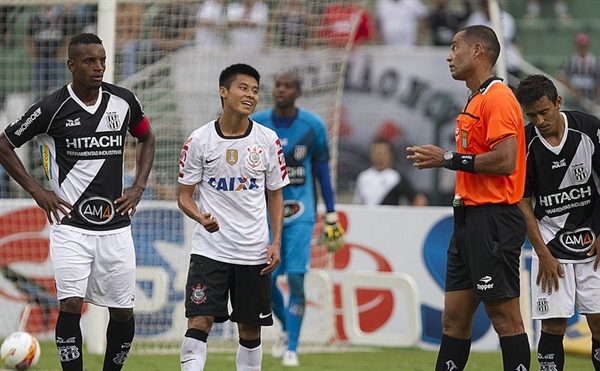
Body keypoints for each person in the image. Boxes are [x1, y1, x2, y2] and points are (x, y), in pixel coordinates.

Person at [0, 33, 156, 371]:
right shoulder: (50, 108)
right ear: (72, 65)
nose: (98, 67)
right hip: (70, 224)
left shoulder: (123, 101)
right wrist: (38, 192)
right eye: (89, 61)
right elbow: (4, 144)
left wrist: (139, 186)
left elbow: (147, 137)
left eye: (101, 60)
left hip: (115, 226)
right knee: (70, 303)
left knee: (123, 310)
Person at [406, 25, 530, 371]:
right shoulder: (475, 98)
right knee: (454, 320)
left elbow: (506, 160)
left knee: (505, 318)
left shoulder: (498, 97)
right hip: (467, 221)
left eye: (454, 47)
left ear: (478, 51)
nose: (449, 55)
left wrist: (447, 159)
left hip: (493, 220)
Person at [177, 63, 289, 371]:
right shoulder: (199, 140)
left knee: (250, 331)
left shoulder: (267, 140)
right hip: (210, 250)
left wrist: (276, 242)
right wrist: (200, 217)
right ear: (223, 92)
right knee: (199, 321)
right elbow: (184, 194)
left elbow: (276, 193)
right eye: (243, 88)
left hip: (253, 252)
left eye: (255, 90)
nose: (251, 95)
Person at [251, 71, 345, 367]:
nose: (281, 90)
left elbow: (322, 174)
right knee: (265, 283)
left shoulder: (313, 126)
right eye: (278, 85)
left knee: (296, 278)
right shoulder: (258, 124)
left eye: (288, 86)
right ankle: (285, 328)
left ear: (298, 92)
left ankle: (292, 346)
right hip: (264, 214)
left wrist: (330, 215)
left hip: (302, 213)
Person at [513, 73, 600, 371]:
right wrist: (543, 254)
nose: (539, 120)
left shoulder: (589, 128)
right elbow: (522, 203)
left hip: (593, 243)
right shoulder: (523, 144)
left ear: (558, 102)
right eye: (531, 115)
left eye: (544, 112)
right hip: (550, 244)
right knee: (552, 326)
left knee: (599, 321)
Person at [354, 138, 428, 206]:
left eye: (383, 153)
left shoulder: (396, 177)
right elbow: (358, 202)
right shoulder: (363, 177)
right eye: (376, 153)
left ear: (391, 155)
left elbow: (419, 199)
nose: (380, 157)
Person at [465, 0, 520, 75]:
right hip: (482, 60)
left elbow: (499, 40)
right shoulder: (475, 17)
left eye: (487, 5)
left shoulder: (506, 18)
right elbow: (469, 38)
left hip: (507, 59)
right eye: (483, 5)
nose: (485, 8)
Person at [27, 5, 70, 99]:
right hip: (40, 58)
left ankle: (58, 107)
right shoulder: (35, 19)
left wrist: (62, 53)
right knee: (39, 87)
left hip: (56, 58)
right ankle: (38, 107)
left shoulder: (60, 18)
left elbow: (66, 38)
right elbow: (29, 38)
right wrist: (32, 54)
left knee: (57, 86)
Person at [558, 32, 600, 104]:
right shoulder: (571, 61)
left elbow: (598, 80)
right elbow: (562, 77)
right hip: (574, 99)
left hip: (590, 98)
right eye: (580, 45)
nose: (582, 48)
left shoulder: (594, 61)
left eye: (584, 46)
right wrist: (572, 90)